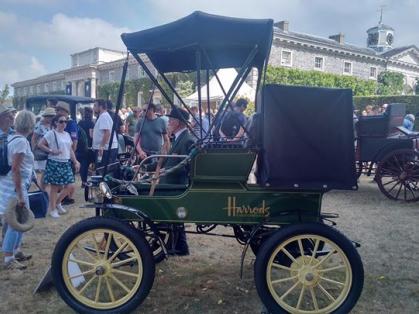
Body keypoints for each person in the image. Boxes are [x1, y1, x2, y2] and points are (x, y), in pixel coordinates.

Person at [0, 110, 36, 270]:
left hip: (12, 185)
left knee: (17, 219)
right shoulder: (21, 142)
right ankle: (9, 257)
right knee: (16, 221)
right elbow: (15, 168)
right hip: (16, 187)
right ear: (30, 124)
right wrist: (21, 195)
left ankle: (15, 251)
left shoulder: (12, 138)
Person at [38, 114, 80, 218]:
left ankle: (57, 203)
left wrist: (75, 161)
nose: (64, 124)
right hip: (55, 162)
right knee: (55, 187)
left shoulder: (66, 134)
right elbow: (40, 144)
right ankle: (52, 209)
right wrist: (52, 151)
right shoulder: (51, 133)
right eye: (61, 121)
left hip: (65, 162)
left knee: (70, 186)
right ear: (56, 122)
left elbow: (70, 150)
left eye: (65, 122)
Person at [31, 107, 55, 190]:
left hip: (50, 150)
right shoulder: (39, 125)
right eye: (49, 116)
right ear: (46, 116)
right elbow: (34, 138)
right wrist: (33, 150)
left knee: (48, 171)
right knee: (44, 171)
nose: (51, 118)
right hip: (42, 150)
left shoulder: (53, 125)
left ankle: (43, 187)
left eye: (52, 116)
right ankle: (41, 188)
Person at [92, 99, 119, 168]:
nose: (93, 108)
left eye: (95, 105)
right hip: (106, 148)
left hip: (106, 149)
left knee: (103, 171)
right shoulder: (103, 116)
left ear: (100, 107)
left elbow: (107, 132)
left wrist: (101, 146)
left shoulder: (104, 116)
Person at [77, 107, 95, 187]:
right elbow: (91, 135)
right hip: (89, 145)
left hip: (81, 145)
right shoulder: (91, 123)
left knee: (83, 164)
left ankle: (83, 181)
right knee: (88, 163)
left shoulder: (80, 122)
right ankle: (87, 180)